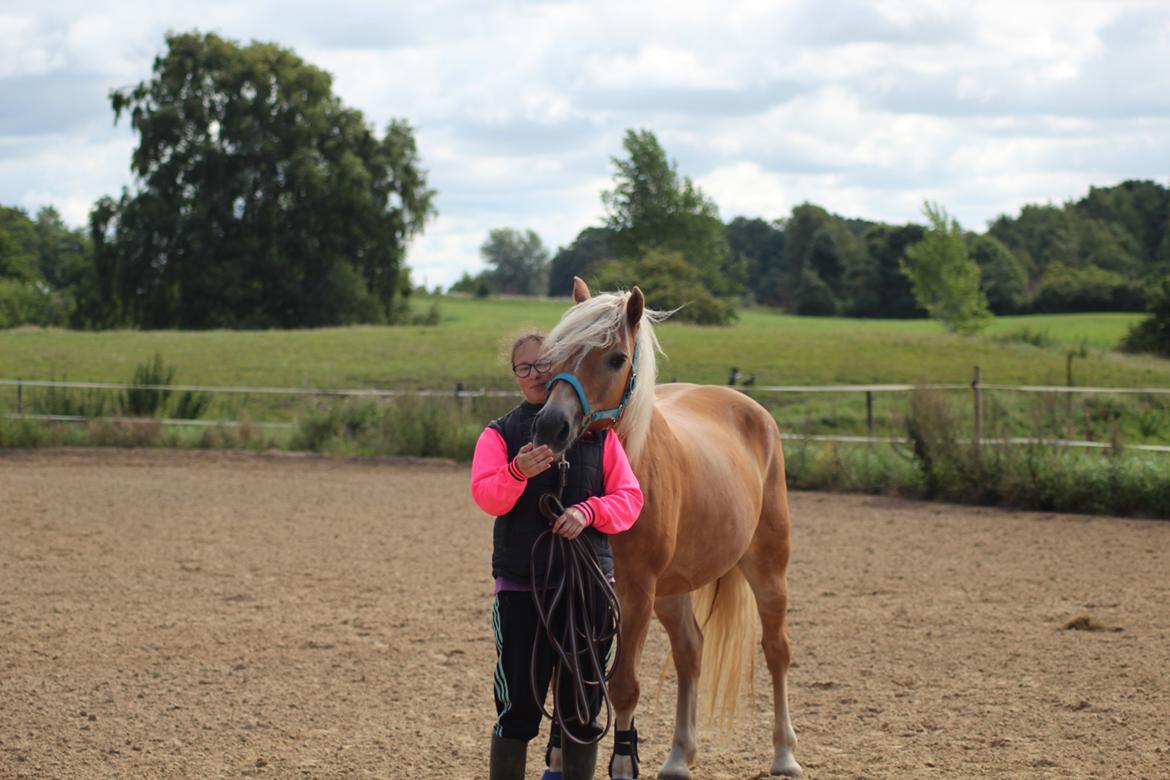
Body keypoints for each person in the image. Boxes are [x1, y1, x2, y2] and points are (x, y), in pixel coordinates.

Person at [471, 332, 644, 780]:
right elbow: (487, 497)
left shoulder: (601, 439)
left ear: (560, 366)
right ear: (515, 376)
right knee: (519, 706)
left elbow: (629, 499)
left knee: (582, 705)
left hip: (585, 591)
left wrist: (589, 511)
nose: (534, 375)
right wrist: (516, 473)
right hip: (521, 590)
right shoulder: (499, 433)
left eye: (541, 365)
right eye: (523, 368)